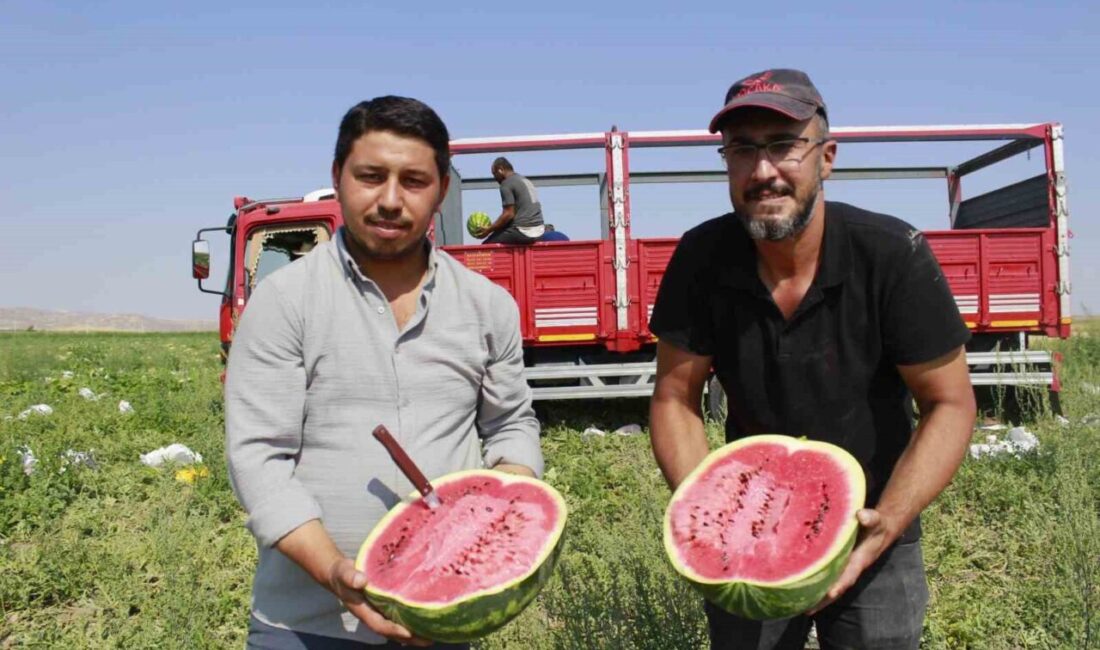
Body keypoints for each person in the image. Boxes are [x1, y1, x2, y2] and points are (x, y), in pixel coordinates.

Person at [648, 69, 976, 649]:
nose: (763, 170)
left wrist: (887, 524)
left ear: (826, 157)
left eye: (784, 145)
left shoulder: (892, 256)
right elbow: (676, 398)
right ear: (725, 163)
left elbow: (949, 403)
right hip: (745, 536)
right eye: (743, 149)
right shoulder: (701, 258)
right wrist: (710, 513)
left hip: (875, 529)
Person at [225, 96, 543, 649]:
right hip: (307, 624)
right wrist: (332, 570)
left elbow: (511, 424)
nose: (390, 200)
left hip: (442, 613)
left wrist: (508, 505)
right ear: (338, 177)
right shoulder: (285, 302)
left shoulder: (488, 306)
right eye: (371, 177)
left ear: (442, 190)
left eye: (414, 181)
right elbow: (259, 457)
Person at [474, 157, 545, 244]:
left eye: (494, 174)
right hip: (539, 230)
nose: (495, 178)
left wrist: (488, 230)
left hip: (523, 231)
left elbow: (509, 214)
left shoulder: (506, 183)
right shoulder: (524, 180)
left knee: (487, 246)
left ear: (500, 170)